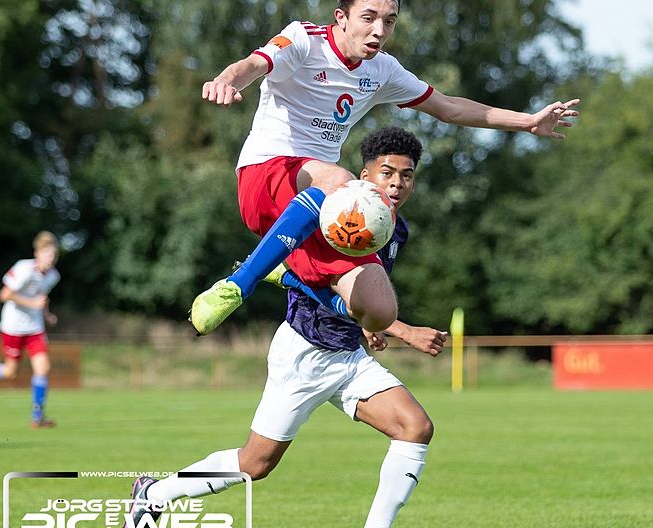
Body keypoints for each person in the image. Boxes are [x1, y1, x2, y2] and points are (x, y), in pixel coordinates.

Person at [124, 128, 447, 528]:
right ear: (366, 176)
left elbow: (360, 293)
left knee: (415, 427)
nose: (397, 183)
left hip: (348, 357)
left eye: (407, 175)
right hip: (304, 354)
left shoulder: (394, 230)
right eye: (387, 173)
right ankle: (155, 494)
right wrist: (402, 330)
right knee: (255, 464)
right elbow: (310, 280)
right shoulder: (332, 215)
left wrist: (368, 326)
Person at [189, 0, 580, 336]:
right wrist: (226, 80)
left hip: (312, 206)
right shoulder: (304, 39)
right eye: (369, 17)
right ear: (341, 17)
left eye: (389, 21)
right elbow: (252, 64)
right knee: (343, 181)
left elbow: (449, 108)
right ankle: (238, 285)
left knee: (379, 311)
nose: (379, 30)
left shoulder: (383, 70)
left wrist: (528, 122)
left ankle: (288, 271)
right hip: (265, 175)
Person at [0, 231, 61, 428]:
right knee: (10, 372)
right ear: (37, 253)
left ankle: (37, 417)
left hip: (35, 329)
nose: (51, 258)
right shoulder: (24, 269)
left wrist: (47, 315)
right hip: (13, 328)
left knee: (43, 368)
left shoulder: (53, 276)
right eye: (47, 254)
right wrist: (32, 303)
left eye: (54, 255)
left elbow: (42, 298)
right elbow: (4, 295)